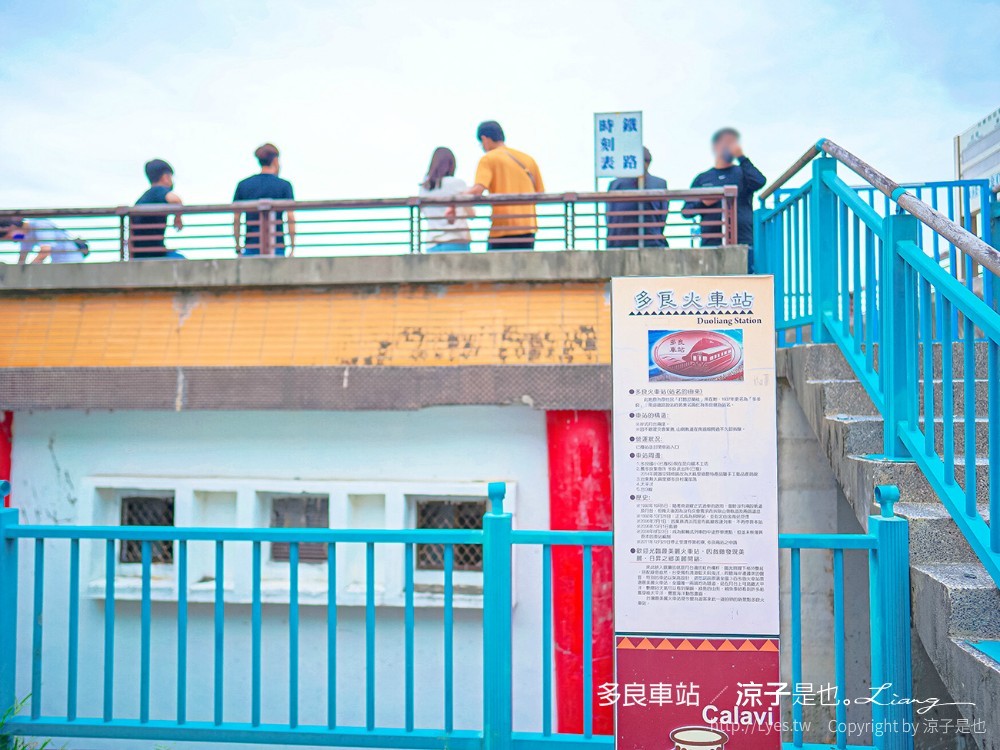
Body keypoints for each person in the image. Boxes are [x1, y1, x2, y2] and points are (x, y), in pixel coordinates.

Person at [683, 128, 766, 269]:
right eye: (726, 143)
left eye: (733, 143)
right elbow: (686, 211)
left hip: (743, 240)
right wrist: (703, 203)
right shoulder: (703, 178)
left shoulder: (743, 172)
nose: (730, 146)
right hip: (711, 242)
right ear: (715, 146)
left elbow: (759, 181)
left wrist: (742, 158)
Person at [463, 121, 544, 250]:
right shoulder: (528, 159)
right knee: (524, 268)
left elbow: (478, 189)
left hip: (503, 227)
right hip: (528, 226)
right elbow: (540, 192)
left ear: (484, 139)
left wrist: (457, 198)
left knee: (495, 268)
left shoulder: (488, 159)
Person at [233, 143, 296, 256]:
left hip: (251, 245)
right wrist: (292, 247)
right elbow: (290, 217)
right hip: (277, 246)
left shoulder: (244, 185)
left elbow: (236, 218)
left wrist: (238, 247)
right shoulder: (284, 185)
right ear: (275, 160)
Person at [606, 147, 669, 249]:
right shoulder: (659, 183)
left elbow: (609, 216)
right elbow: (663, 215)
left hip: (618, 241)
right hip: (652, 240)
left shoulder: (616, 184)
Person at [419, 147, 474, 252]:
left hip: (432, 244)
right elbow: (471, 214)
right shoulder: (457, 183)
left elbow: (424, 212)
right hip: (456, 241)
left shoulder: (424, 188)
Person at [131, 159, 184, 259]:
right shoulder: (158, 190)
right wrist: (178, 218)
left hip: (140, 253)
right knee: (183, 264)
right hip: (152, 255)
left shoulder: (145, 198)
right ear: (166, 177)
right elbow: (176, 200)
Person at [0, 217, 86, 264]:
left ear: (13, 228)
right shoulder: (25, 234)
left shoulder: (40, 225)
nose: (14, 240)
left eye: (12, 238)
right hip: (57, 262)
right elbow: (22, 256)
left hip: (71, 261)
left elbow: (45, 251)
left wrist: (29, 271)